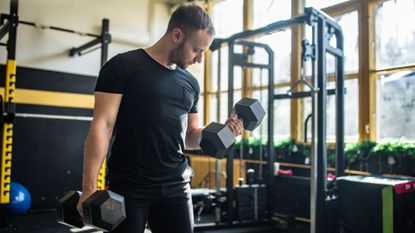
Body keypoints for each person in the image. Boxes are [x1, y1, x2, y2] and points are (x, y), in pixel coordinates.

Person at [76, 4, 244, 233]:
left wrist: (224, 132)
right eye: (197, 50)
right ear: (177, 35)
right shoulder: (123, 66)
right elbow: (102, 126)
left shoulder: (191, 84)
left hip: (175, 185)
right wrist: (89, 187)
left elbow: (190, 137)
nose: (199, 59)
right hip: (129, 186)